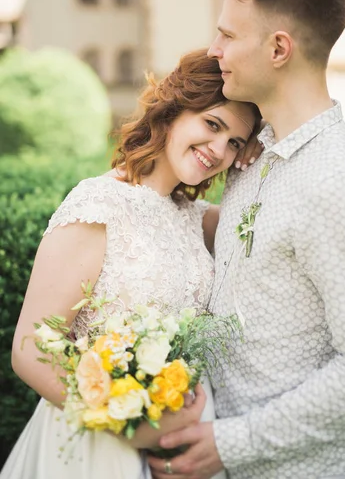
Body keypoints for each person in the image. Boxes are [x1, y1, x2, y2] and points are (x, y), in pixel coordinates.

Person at [148, 0, 345, 479]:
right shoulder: (256, 150)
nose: (214, 50)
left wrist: (233, 443)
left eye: (228, 36)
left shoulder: (338, 186)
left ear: (279, 47)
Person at [0, 48, 261, 479]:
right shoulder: (98, 205)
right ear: (173, 111)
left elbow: (264, 220)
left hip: (185, 451)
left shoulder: (201, 220)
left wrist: (251, 164)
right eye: (212, 124)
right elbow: (30, 350)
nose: (218, 150)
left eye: (234, 142)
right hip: (98, 448)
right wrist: (128, 426)